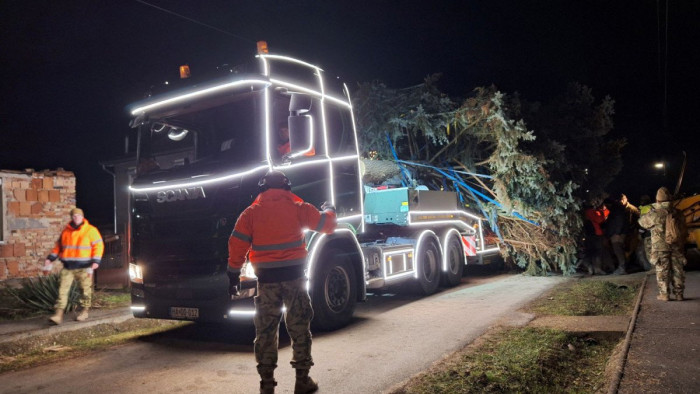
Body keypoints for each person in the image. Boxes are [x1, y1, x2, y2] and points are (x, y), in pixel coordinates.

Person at [228, 170, 336, 394]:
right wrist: (330, 210)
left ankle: (267, 385)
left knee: (266, 332)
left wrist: (233, 275)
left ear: (262, 189)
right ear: (287, 187)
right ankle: (302, 381)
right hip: (294, 280)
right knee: (299, 328)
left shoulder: (250, 214)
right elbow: (327, 225)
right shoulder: (300, 208)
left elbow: (237, 245)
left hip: (266, 283)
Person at [44, 208, 104, 324]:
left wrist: (96, 261)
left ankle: (84, 311)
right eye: (74, 216)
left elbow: (98, 246)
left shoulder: (91, 231)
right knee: (62, 290)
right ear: (71, 217)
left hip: (85, 267)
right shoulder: (66, 232)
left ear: (82, 217)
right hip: (68, 267)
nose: (76, 217)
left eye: (78, 215)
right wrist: (50, 258)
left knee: (85, 290)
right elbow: (58, 247)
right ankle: (58, 314)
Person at [639, 187, 687, 301]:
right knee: (678, 269)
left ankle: (664, 294)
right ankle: (679, 294)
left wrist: (650, 212)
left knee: (662, 270)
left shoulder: (656, 213)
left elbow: (642, 223)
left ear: (658, 200)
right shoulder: (678, 213)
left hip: (660, 247)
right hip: (676, 245)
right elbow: (684, 229)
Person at [583, 200, 609, 275]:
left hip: (590, 234)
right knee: (597, 251)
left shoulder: (586, 212)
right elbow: (600, 219)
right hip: (595, 234)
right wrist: (602, 211)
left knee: (591, 252)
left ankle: (592, 268)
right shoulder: (590, 211)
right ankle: (596, 269)